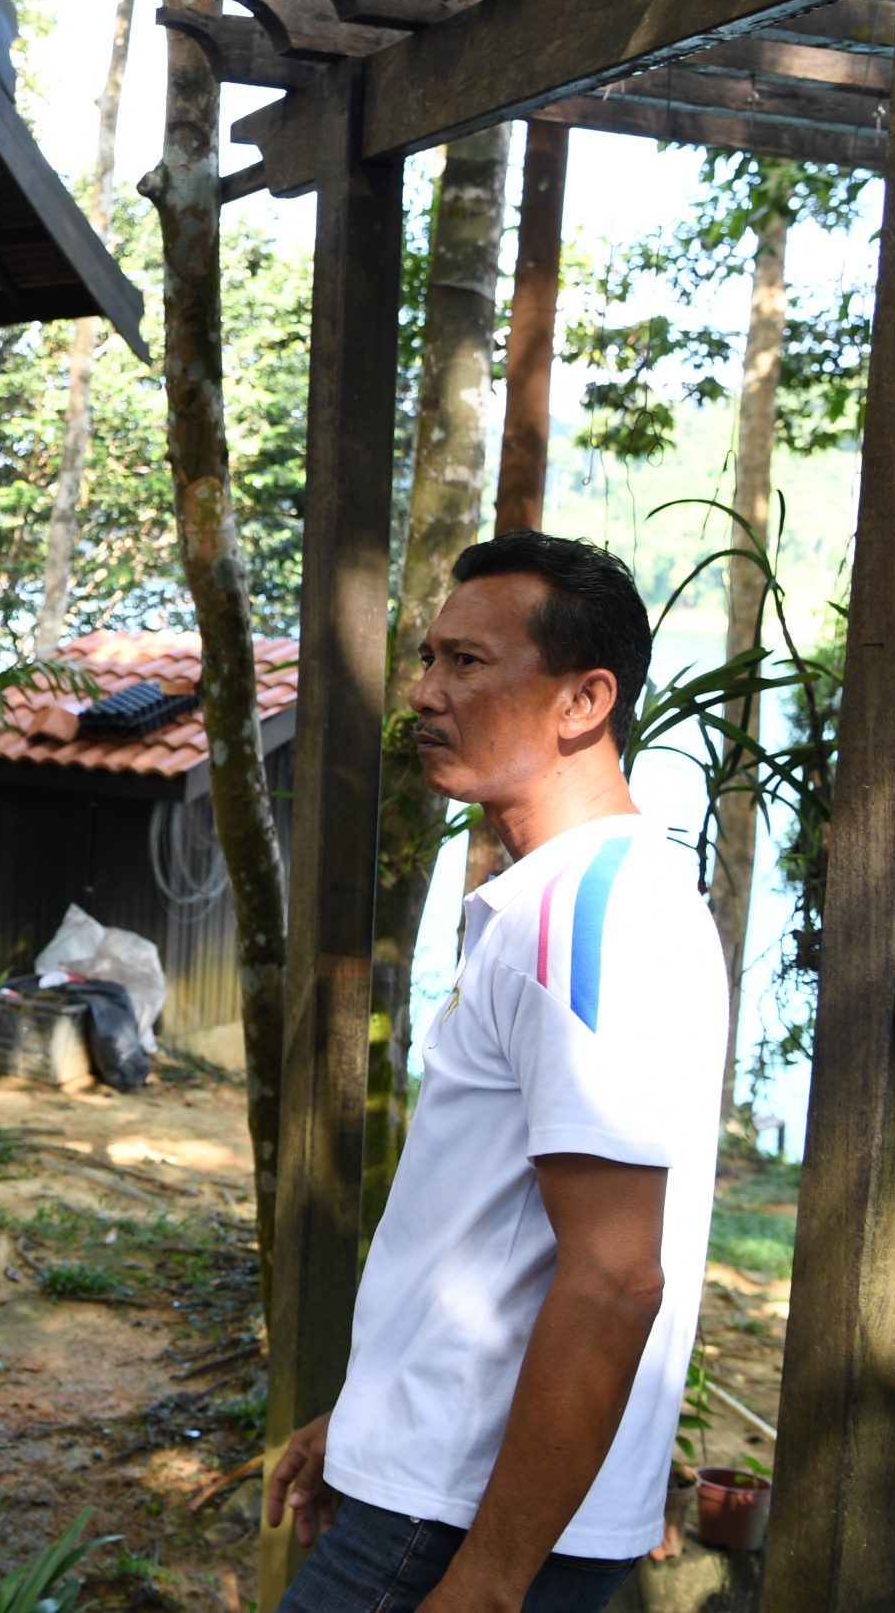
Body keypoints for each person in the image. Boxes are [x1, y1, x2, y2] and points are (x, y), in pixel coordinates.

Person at [263, 531, 727, 1612]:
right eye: (429, 659)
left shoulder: (583, 921)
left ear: (584, 701)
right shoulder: (580, 902)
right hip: (443, 1495)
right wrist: (369, 1419)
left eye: (466, 663)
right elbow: (495, 1237)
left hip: (455, 1528)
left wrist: (486, 1580)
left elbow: (615, 1278)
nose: (424, 693)